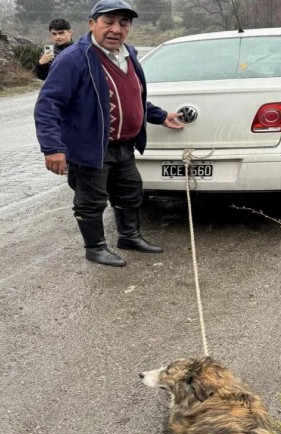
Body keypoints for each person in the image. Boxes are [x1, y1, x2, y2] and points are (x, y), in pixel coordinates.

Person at [34, 0, 183, 267]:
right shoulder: (73, 59)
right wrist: (52, 147)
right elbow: (48, 106)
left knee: (130, 192)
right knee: (90, 200)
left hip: (124, 145)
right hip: (89, 146)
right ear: (92, 24)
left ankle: (129, 236)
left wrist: (160, 116)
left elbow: (132, 98)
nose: (116, 29)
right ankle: (95, 248)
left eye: (123, 23)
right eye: (109, 22)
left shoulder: (130, 55)